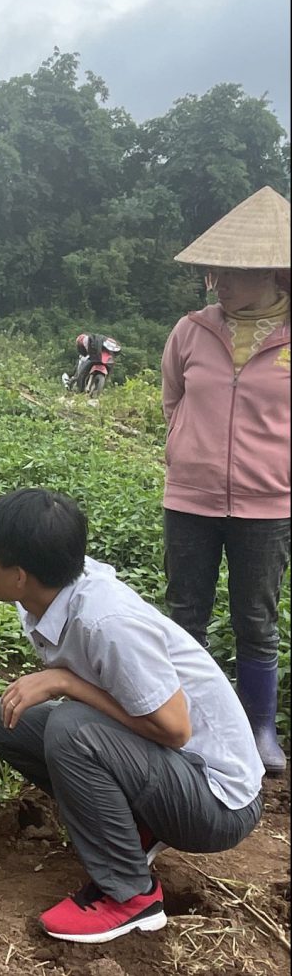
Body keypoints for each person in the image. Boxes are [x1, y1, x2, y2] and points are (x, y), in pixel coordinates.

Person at [0, 489, 263, 944]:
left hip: (218, 802)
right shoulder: (52, 582)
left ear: (18, 576)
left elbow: (175, 730)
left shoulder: (107, 623)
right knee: (0, 719)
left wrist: (65, 683)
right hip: (176, 773)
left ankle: (132, 897)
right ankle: (134, 827)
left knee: (71, 729)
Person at [163, 185, 290, 777]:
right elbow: (174, 400)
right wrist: (192, 451)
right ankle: (193, 719)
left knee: (255, 619)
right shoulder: (191, 331)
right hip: (191, 498)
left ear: (273, 272)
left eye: (237, 272)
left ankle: (259, 727)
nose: (222, 282)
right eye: (218, 271)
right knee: (186, 611)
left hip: (268, 506)